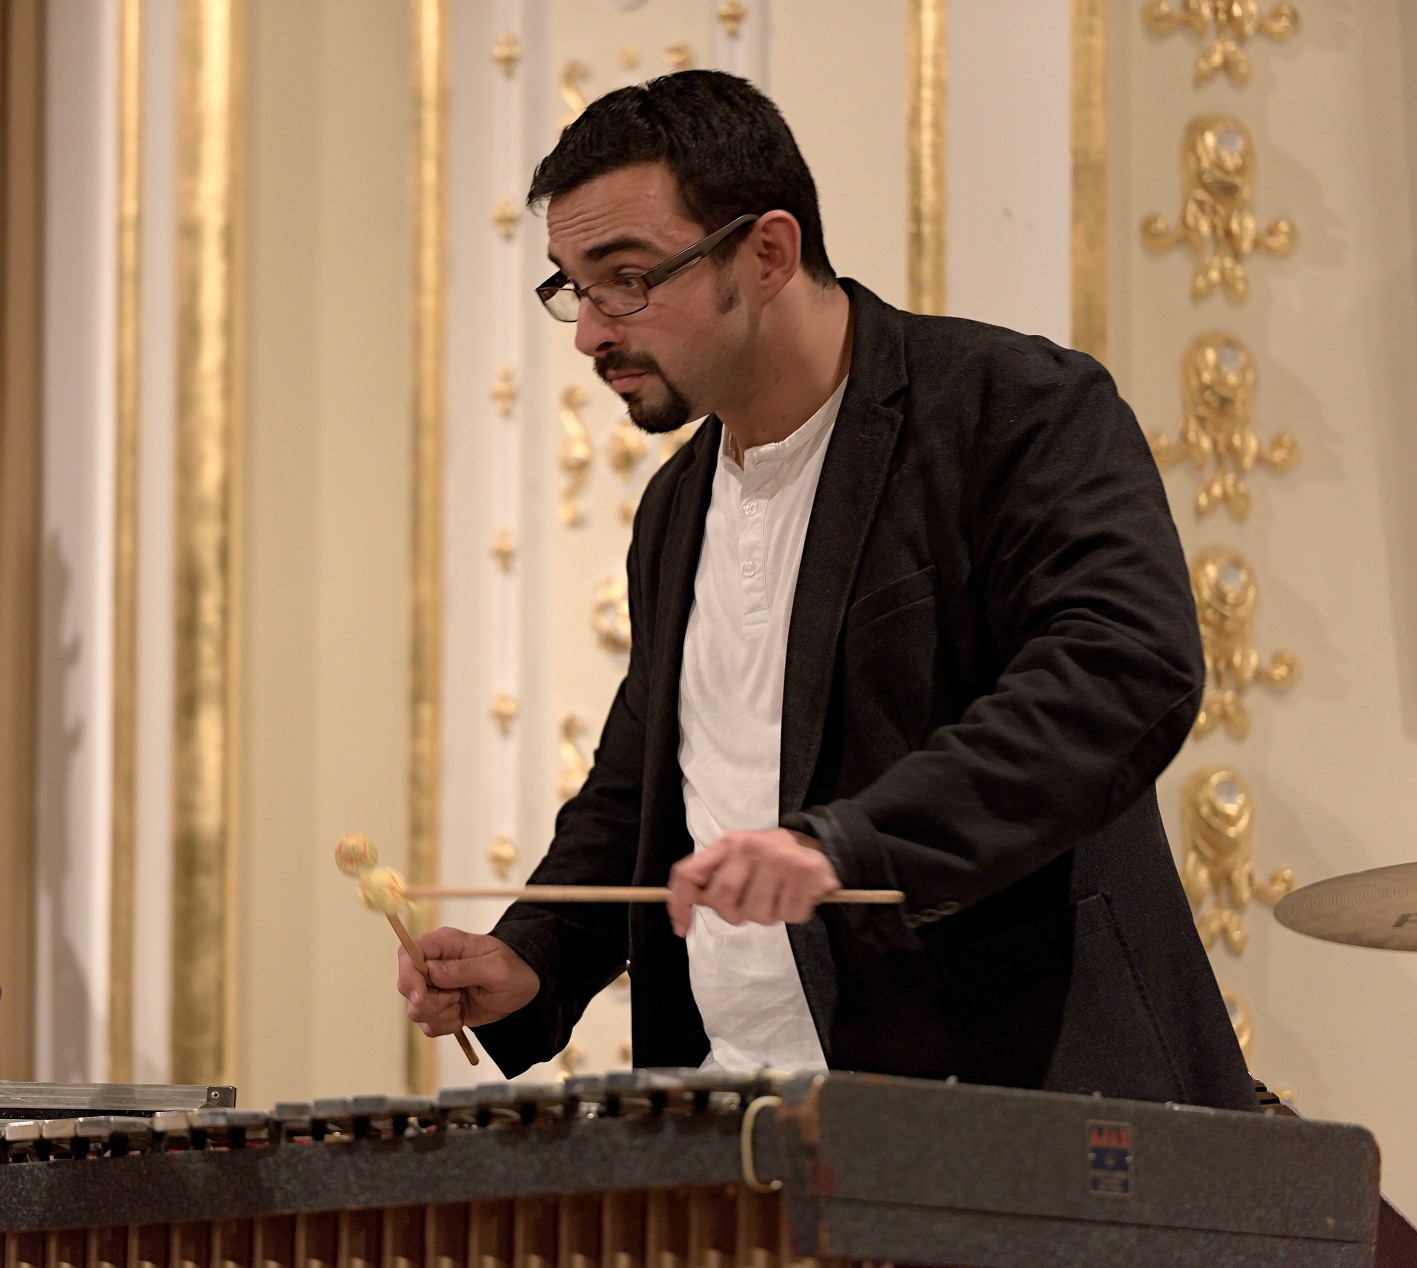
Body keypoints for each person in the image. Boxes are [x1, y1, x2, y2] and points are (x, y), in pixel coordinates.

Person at [396, 70, 1254, 1111]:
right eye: (574, 288)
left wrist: (848, 845)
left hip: (1011, 1103)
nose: (591, 332)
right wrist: (533, 952)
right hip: (741, 1109)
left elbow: (1120, 672)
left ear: (767, 252)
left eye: (626, 278)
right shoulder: (676, 505)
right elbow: (643, 783)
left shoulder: (1010, 410)